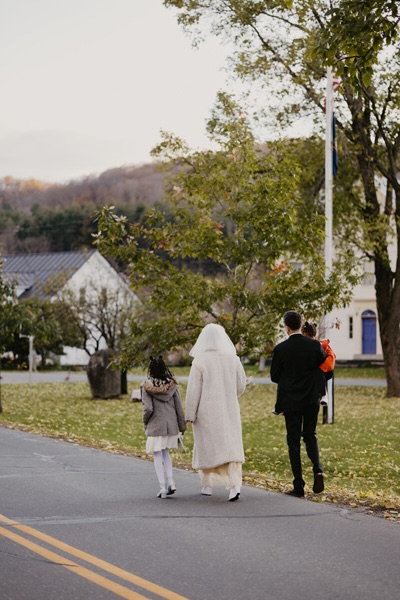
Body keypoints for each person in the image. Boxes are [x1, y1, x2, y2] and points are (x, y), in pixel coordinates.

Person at [185, 323, 247, 502]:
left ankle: (207, 484)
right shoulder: (233, 359)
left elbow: (193, 391)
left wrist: (190, 414)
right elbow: (241, 385)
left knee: (208, 446)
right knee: (231, 446)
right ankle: (234, 486)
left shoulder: (200, 361)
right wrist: (229, 394)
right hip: (229, 409)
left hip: (207, 411)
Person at [270, 311, 327, 498]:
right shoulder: (314, 345)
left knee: (293, 441)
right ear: (300, 325)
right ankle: (318, 470)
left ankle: (298, 485)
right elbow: (322, 362)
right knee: (310, 435)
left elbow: (274, 376)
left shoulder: (280, 349)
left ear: (287, 328)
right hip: (311, 398)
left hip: (291, 400)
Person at [141, 356, 186, 499]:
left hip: (156, 425)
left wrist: (145, 422)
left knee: (157, 455)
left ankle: (162, 487)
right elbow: (178, 407)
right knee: (166, 453)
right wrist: (182, 426)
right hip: (170, 425)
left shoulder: (147, 387)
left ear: (151, 370)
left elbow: (148, 409)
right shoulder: (172, 386)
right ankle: (171, 482)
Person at [301, 321, 336, 406]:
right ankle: (324, 395)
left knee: (318, 372)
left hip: (318, 373)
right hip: (319, 374)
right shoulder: (321, 344)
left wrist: (321, 368)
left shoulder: (320, 345)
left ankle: (324, 395)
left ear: (304, 333)